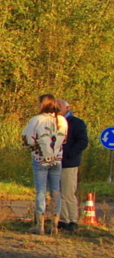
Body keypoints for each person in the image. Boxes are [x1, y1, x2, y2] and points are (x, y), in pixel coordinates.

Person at [21, 94, 68, 235]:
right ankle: (54, 225)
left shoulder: (36, 120)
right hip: (56, 159)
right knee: (55, 191)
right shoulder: (62, 120)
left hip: (40, 158)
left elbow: (27, 140)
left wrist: (34, 148)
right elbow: (64, 140)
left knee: (40, 191)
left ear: (42, 104)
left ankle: (40, 225)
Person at [57, 99, 89, 233]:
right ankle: (63, 220)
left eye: (59, 106)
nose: (57, 108)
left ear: (67, 107)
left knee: (68, 192)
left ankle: (73, 220)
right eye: (55, 106)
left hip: (69, 163)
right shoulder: (53, 122)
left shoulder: (76, 123)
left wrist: (69, 153)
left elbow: (83, 141)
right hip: (54, 162)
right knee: (58, 193)